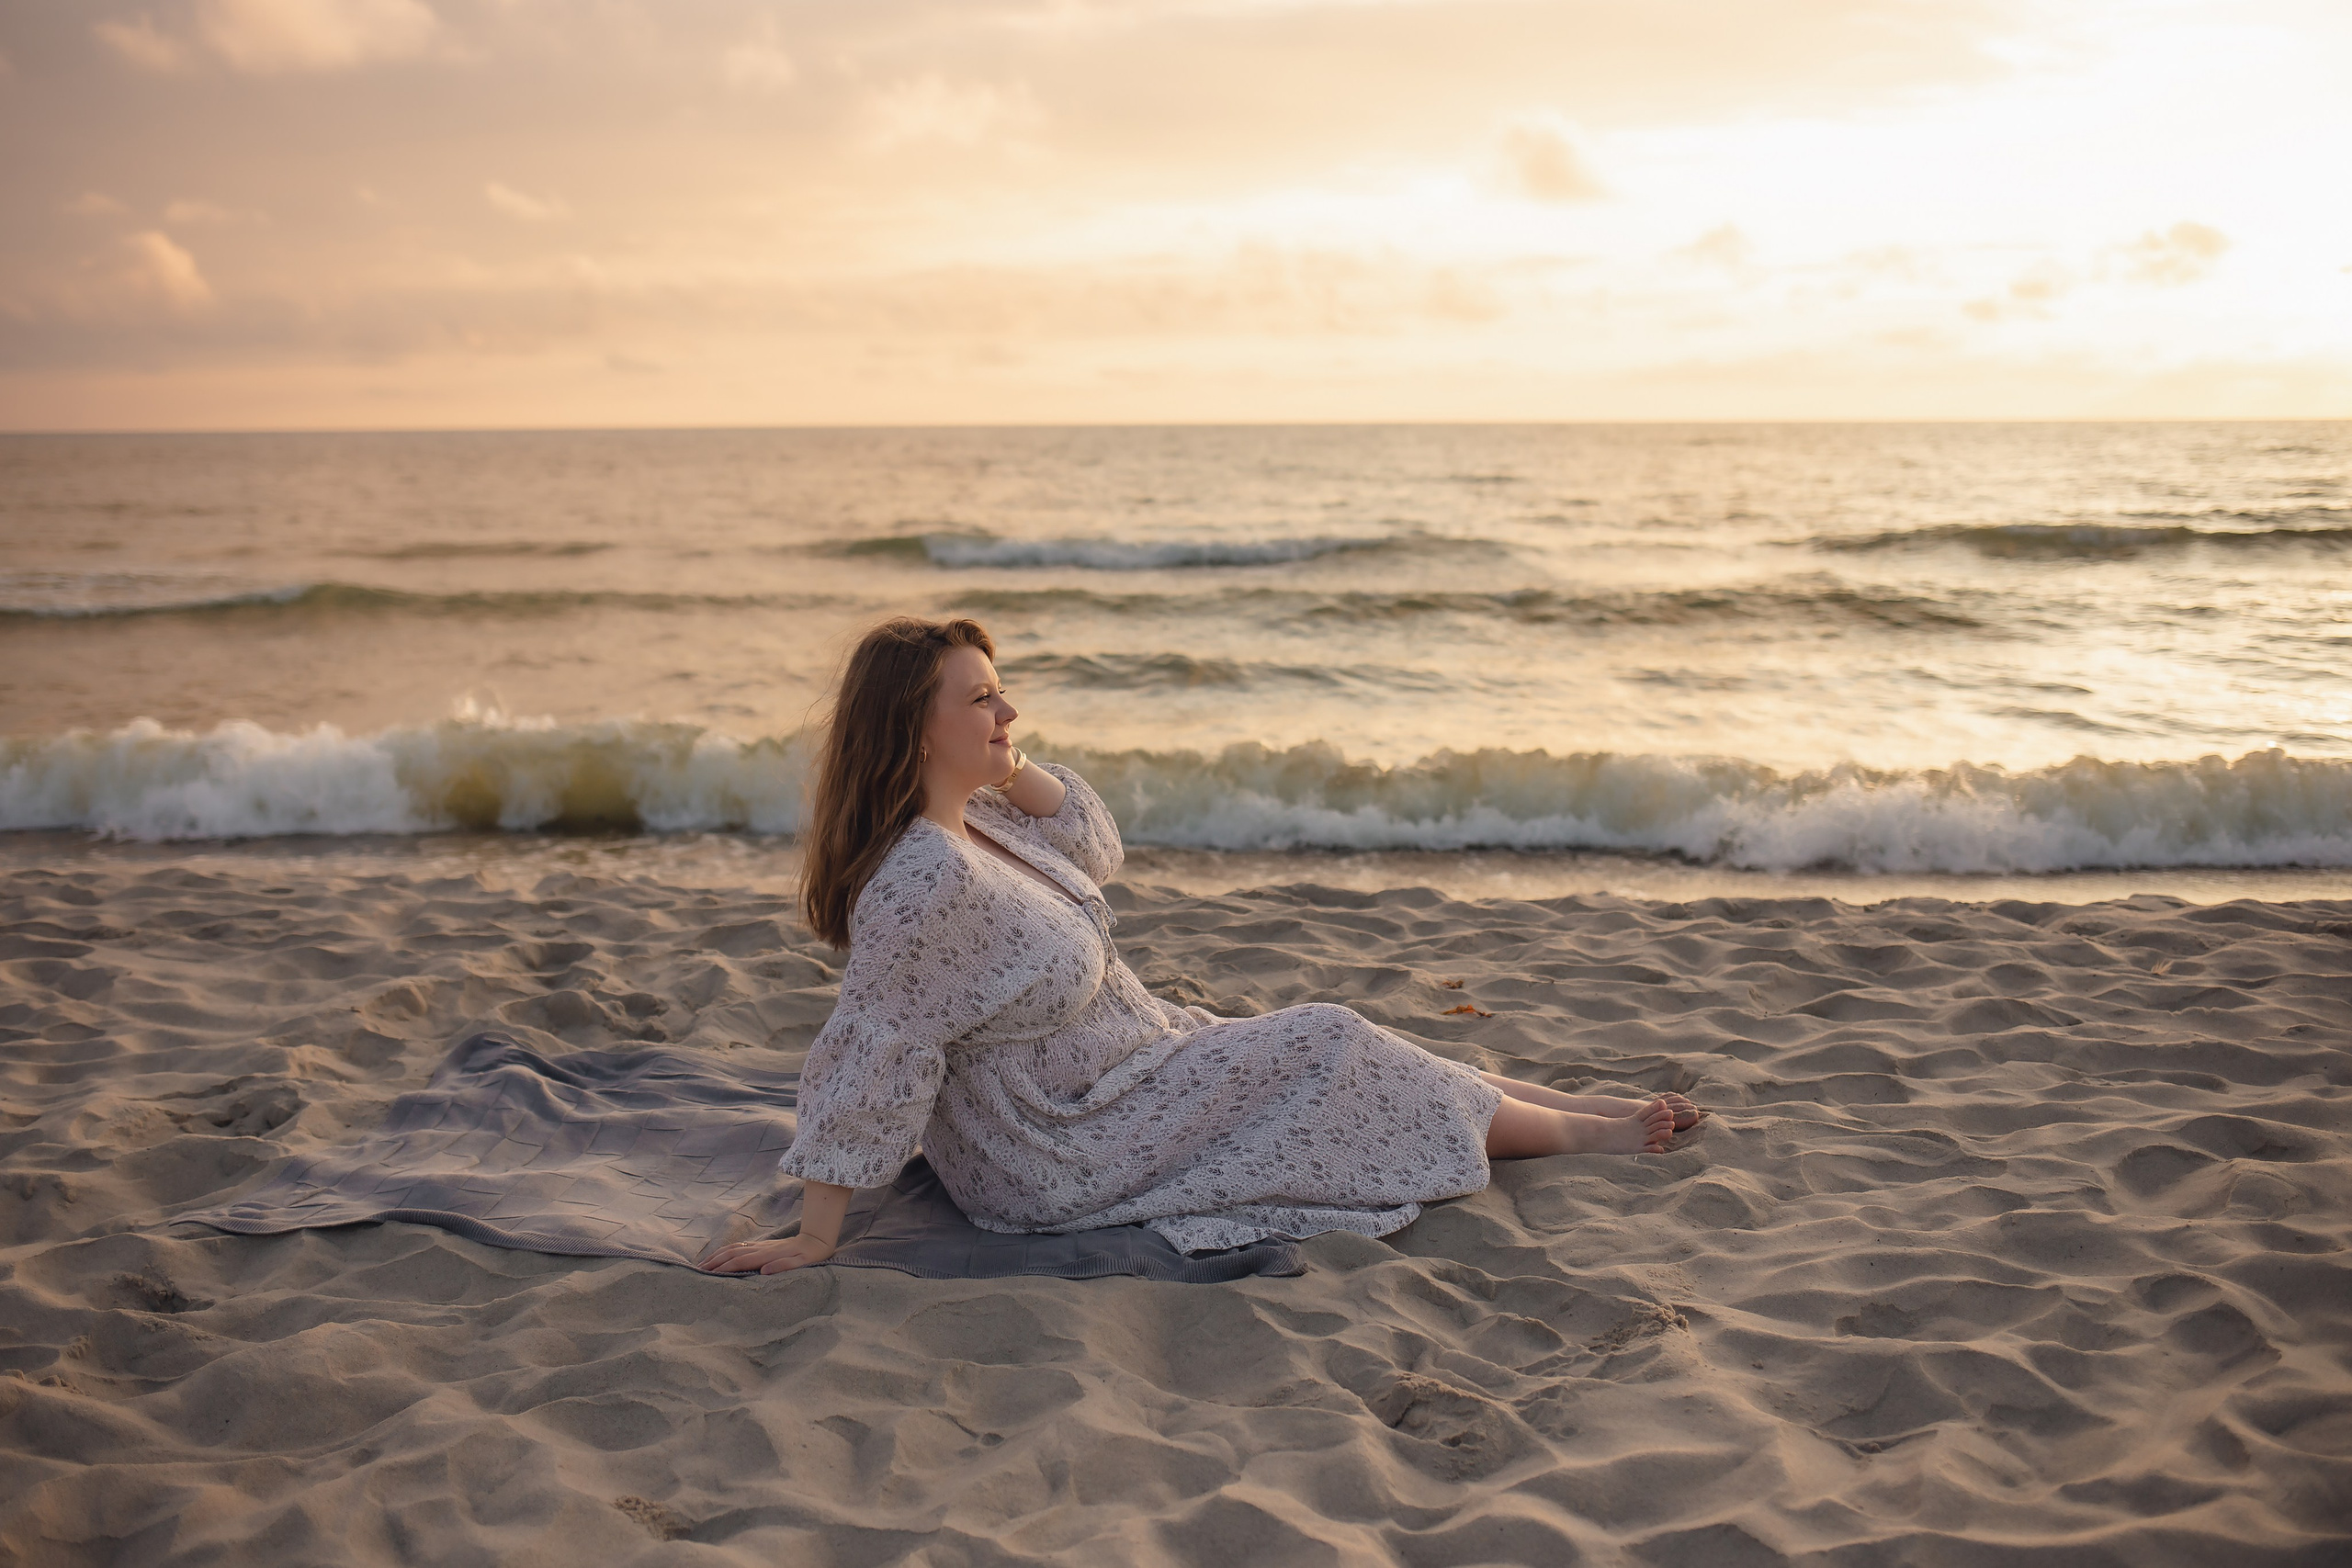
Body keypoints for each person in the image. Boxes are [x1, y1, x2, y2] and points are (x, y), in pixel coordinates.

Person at [701, 616, 1695, 1276]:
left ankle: (1557, 1105)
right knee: (1328, 1043)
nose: (1009, 714)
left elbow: (1096, 845)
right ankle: (1575, 1134)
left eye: (1002, 694)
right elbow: (875, 1046)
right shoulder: (924, 880)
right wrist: (816, 1235)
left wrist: (1001, 762)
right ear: (912, 732)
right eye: (980, 702)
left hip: (1131, 1068)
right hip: (1059, 1145)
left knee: (1323, 1044)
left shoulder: (979, 825)